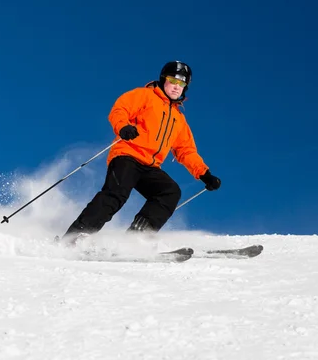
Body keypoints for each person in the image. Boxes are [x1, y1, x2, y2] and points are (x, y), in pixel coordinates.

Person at [60, 61, 221, 245]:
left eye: (182, 83)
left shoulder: (179, 119)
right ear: (163, 79)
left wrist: (204, 174)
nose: (177, 87)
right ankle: (75, 237)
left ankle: (136, 239)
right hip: (127, 155)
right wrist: (123, 127)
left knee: (169, 191)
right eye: (173, 81)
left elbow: (186, 150)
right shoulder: (145, 96)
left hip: (150, 166)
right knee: (116, 194)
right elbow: (120, 109)